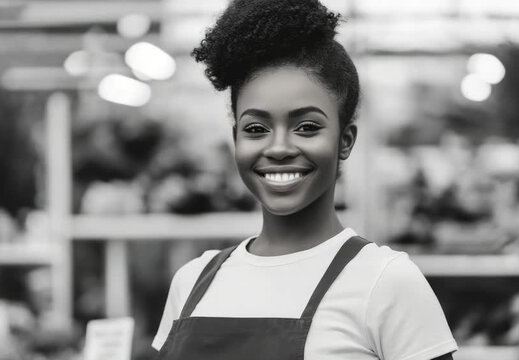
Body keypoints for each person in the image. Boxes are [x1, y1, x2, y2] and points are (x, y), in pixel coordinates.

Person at [152, 0, 458, 359]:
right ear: (236, 138)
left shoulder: (386, 283)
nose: (279, 147)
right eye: (256, 128)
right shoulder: (192, 282)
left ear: (345, 141)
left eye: (307, 127)